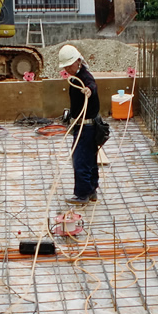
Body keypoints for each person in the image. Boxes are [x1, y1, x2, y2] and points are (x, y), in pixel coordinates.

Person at [59, 44, 100, 205]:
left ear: (78, 61)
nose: (68, 69)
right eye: (66, 67)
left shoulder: (85, 77)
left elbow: (92, 86)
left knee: (80, 159)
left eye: (70, 65)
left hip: (86, 126)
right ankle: (91, 191)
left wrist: (89, 90)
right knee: (90, 159)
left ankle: (82, 194)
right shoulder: (77, 76)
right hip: (86, 125)